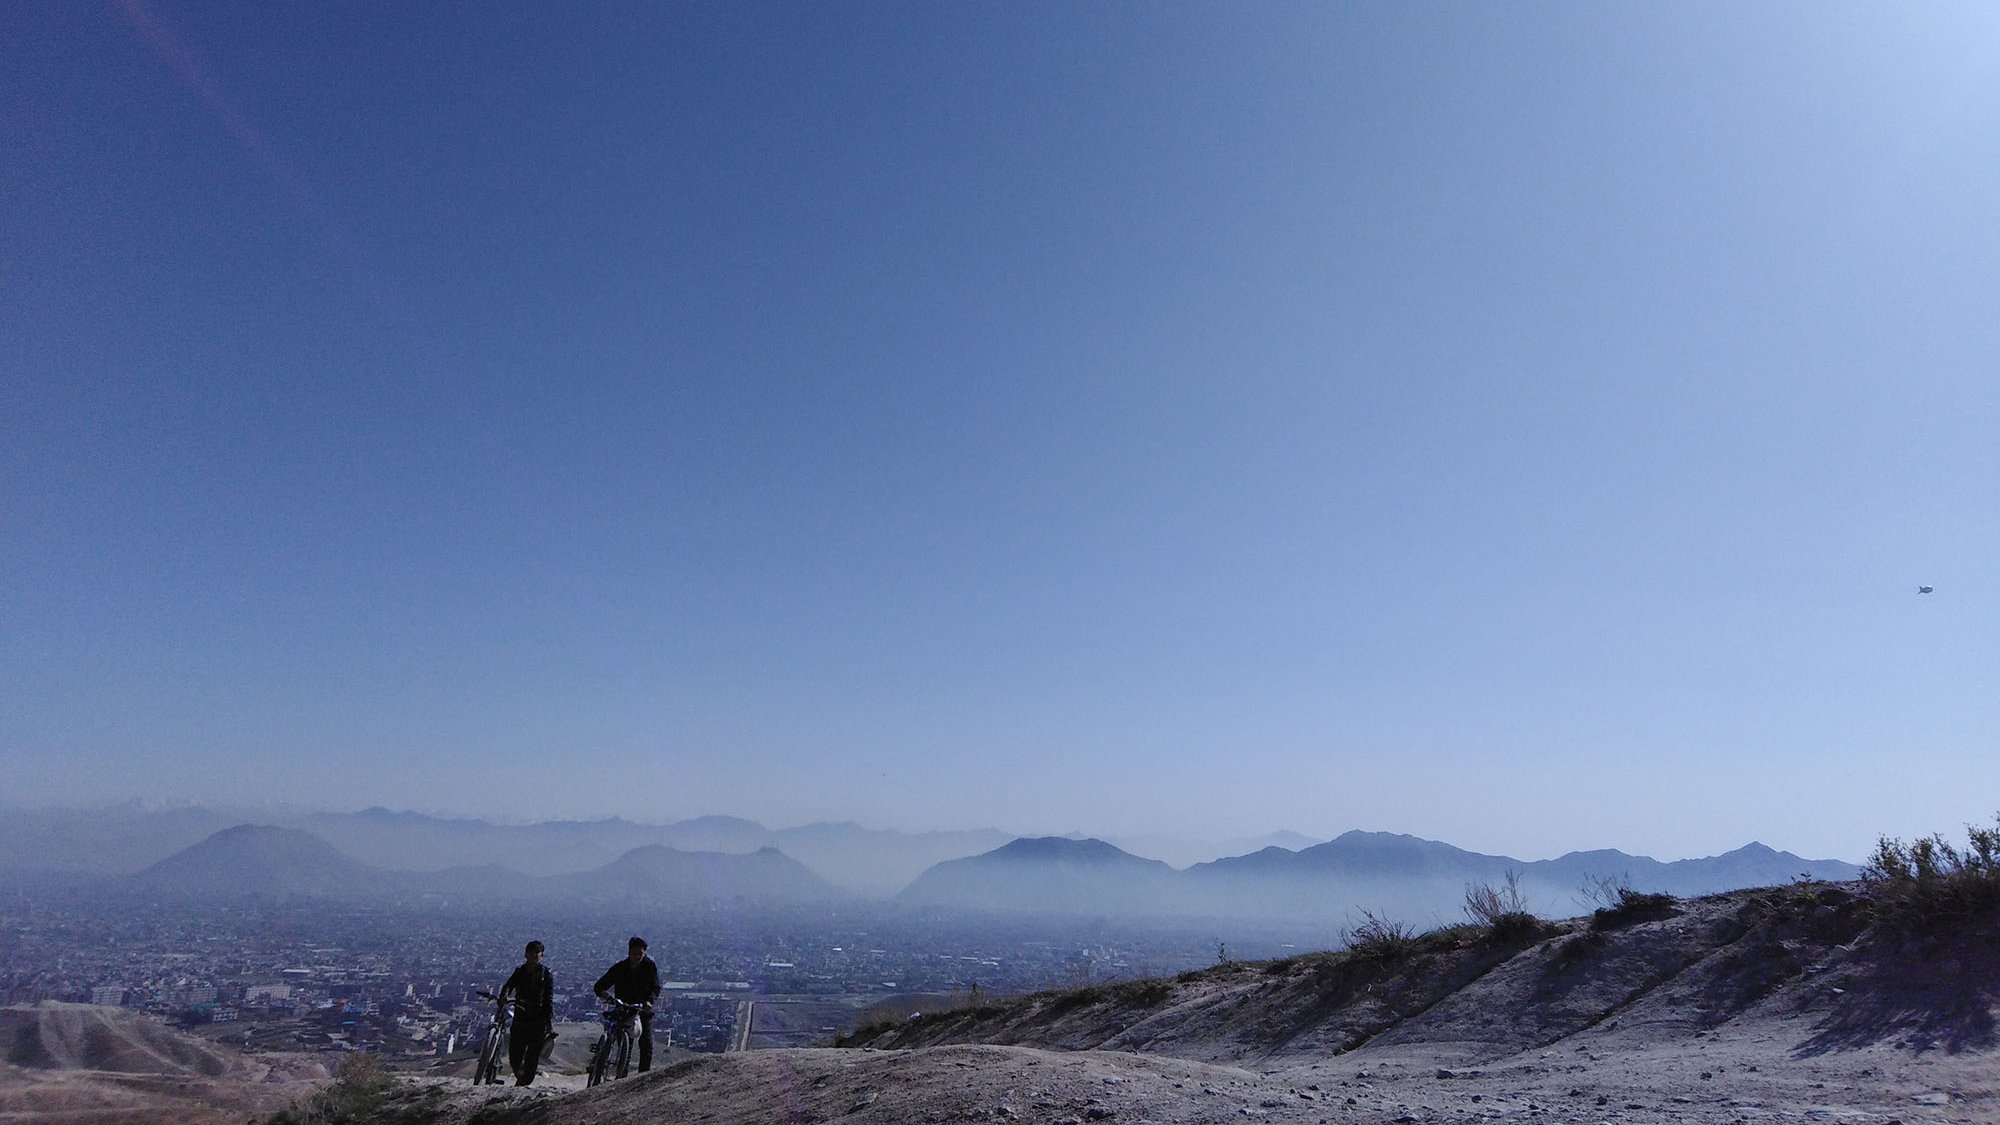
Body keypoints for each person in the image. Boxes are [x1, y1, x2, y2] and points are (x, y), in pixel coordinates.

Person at [594, 935, 663, 1071]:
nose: (636, 957)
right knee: (624, 1046)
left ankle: (643, 1077)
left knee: (646, 1045)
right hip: (623, 1009)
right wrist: (605, 996)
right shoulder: (620, 968)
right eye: (634, 953)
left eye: (640, 954)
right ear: (628, 952)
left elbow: (656, 987)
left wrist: (649, 1001)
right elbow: (600, 985)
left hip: (641, 1009)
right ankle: (621, 1075)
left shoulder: (649, 967)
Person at [498, 940, 554, 1086]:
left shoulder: (546, 975)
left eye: (537, 953)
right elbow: (508, 985)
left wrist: (548, 1020)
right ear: (526, 955)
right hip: (521, 1018)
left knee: (532, 1056)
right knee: (515, 1055)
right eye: (532, 953)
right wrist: (504, 996)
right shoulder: (520, 972)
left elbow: (549, 998)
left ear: (541, 955)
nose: (535, 956)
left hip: (538, 1020)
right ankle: (520, 1076)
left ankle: (524, 1083)